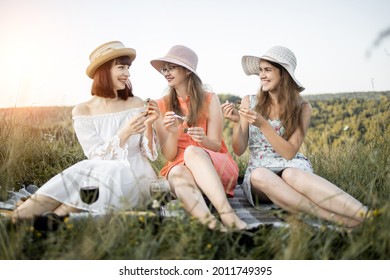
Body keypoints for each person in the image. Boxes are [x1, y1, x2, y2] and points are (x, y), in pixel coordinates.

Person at [221, 45, 368, 227]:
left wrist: (263, 125)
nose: (261, 76)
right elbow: (239, 149)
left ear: (284, 74)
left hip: (291, 165)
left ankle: (368, 216)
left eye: (268, 70)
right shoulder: (249, 101)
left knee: (291, 175)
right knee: (259, 175)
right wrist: (237, 123)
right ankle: (336, 218)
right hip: (261, 172)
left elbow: (289, 153)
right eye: (260, 70)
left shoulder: (303, 108)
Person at [12, 41, 159, 221]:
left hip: (137, 178)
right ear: (104, 71)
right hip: (100, 177)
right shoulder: (83, 111)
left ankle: (36, 218)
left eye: (128, 68)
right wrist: (124, 132)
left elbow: (151, 155)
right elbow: (96, 158)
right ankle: (33, 220)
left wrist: (150, 124)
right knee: (93, 171)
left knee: (103, 169)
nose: (127, 74)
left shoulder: (136, 103)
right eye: (121, 68)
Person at [150, 45, 247, 230]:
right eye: (165, 68)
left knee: (193, 151)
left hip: (215, 167)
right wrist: (171, 132)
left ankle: (227, 215)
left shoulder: (210, 99)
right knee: (177, 172)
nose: (166, 72)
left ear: (187, 71)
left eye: (172, 67)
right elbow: (170, 156)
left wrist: (203, 140)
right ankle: (212, 227)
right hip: (181, 169)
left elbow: (216, 145)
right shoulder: (160, 105)